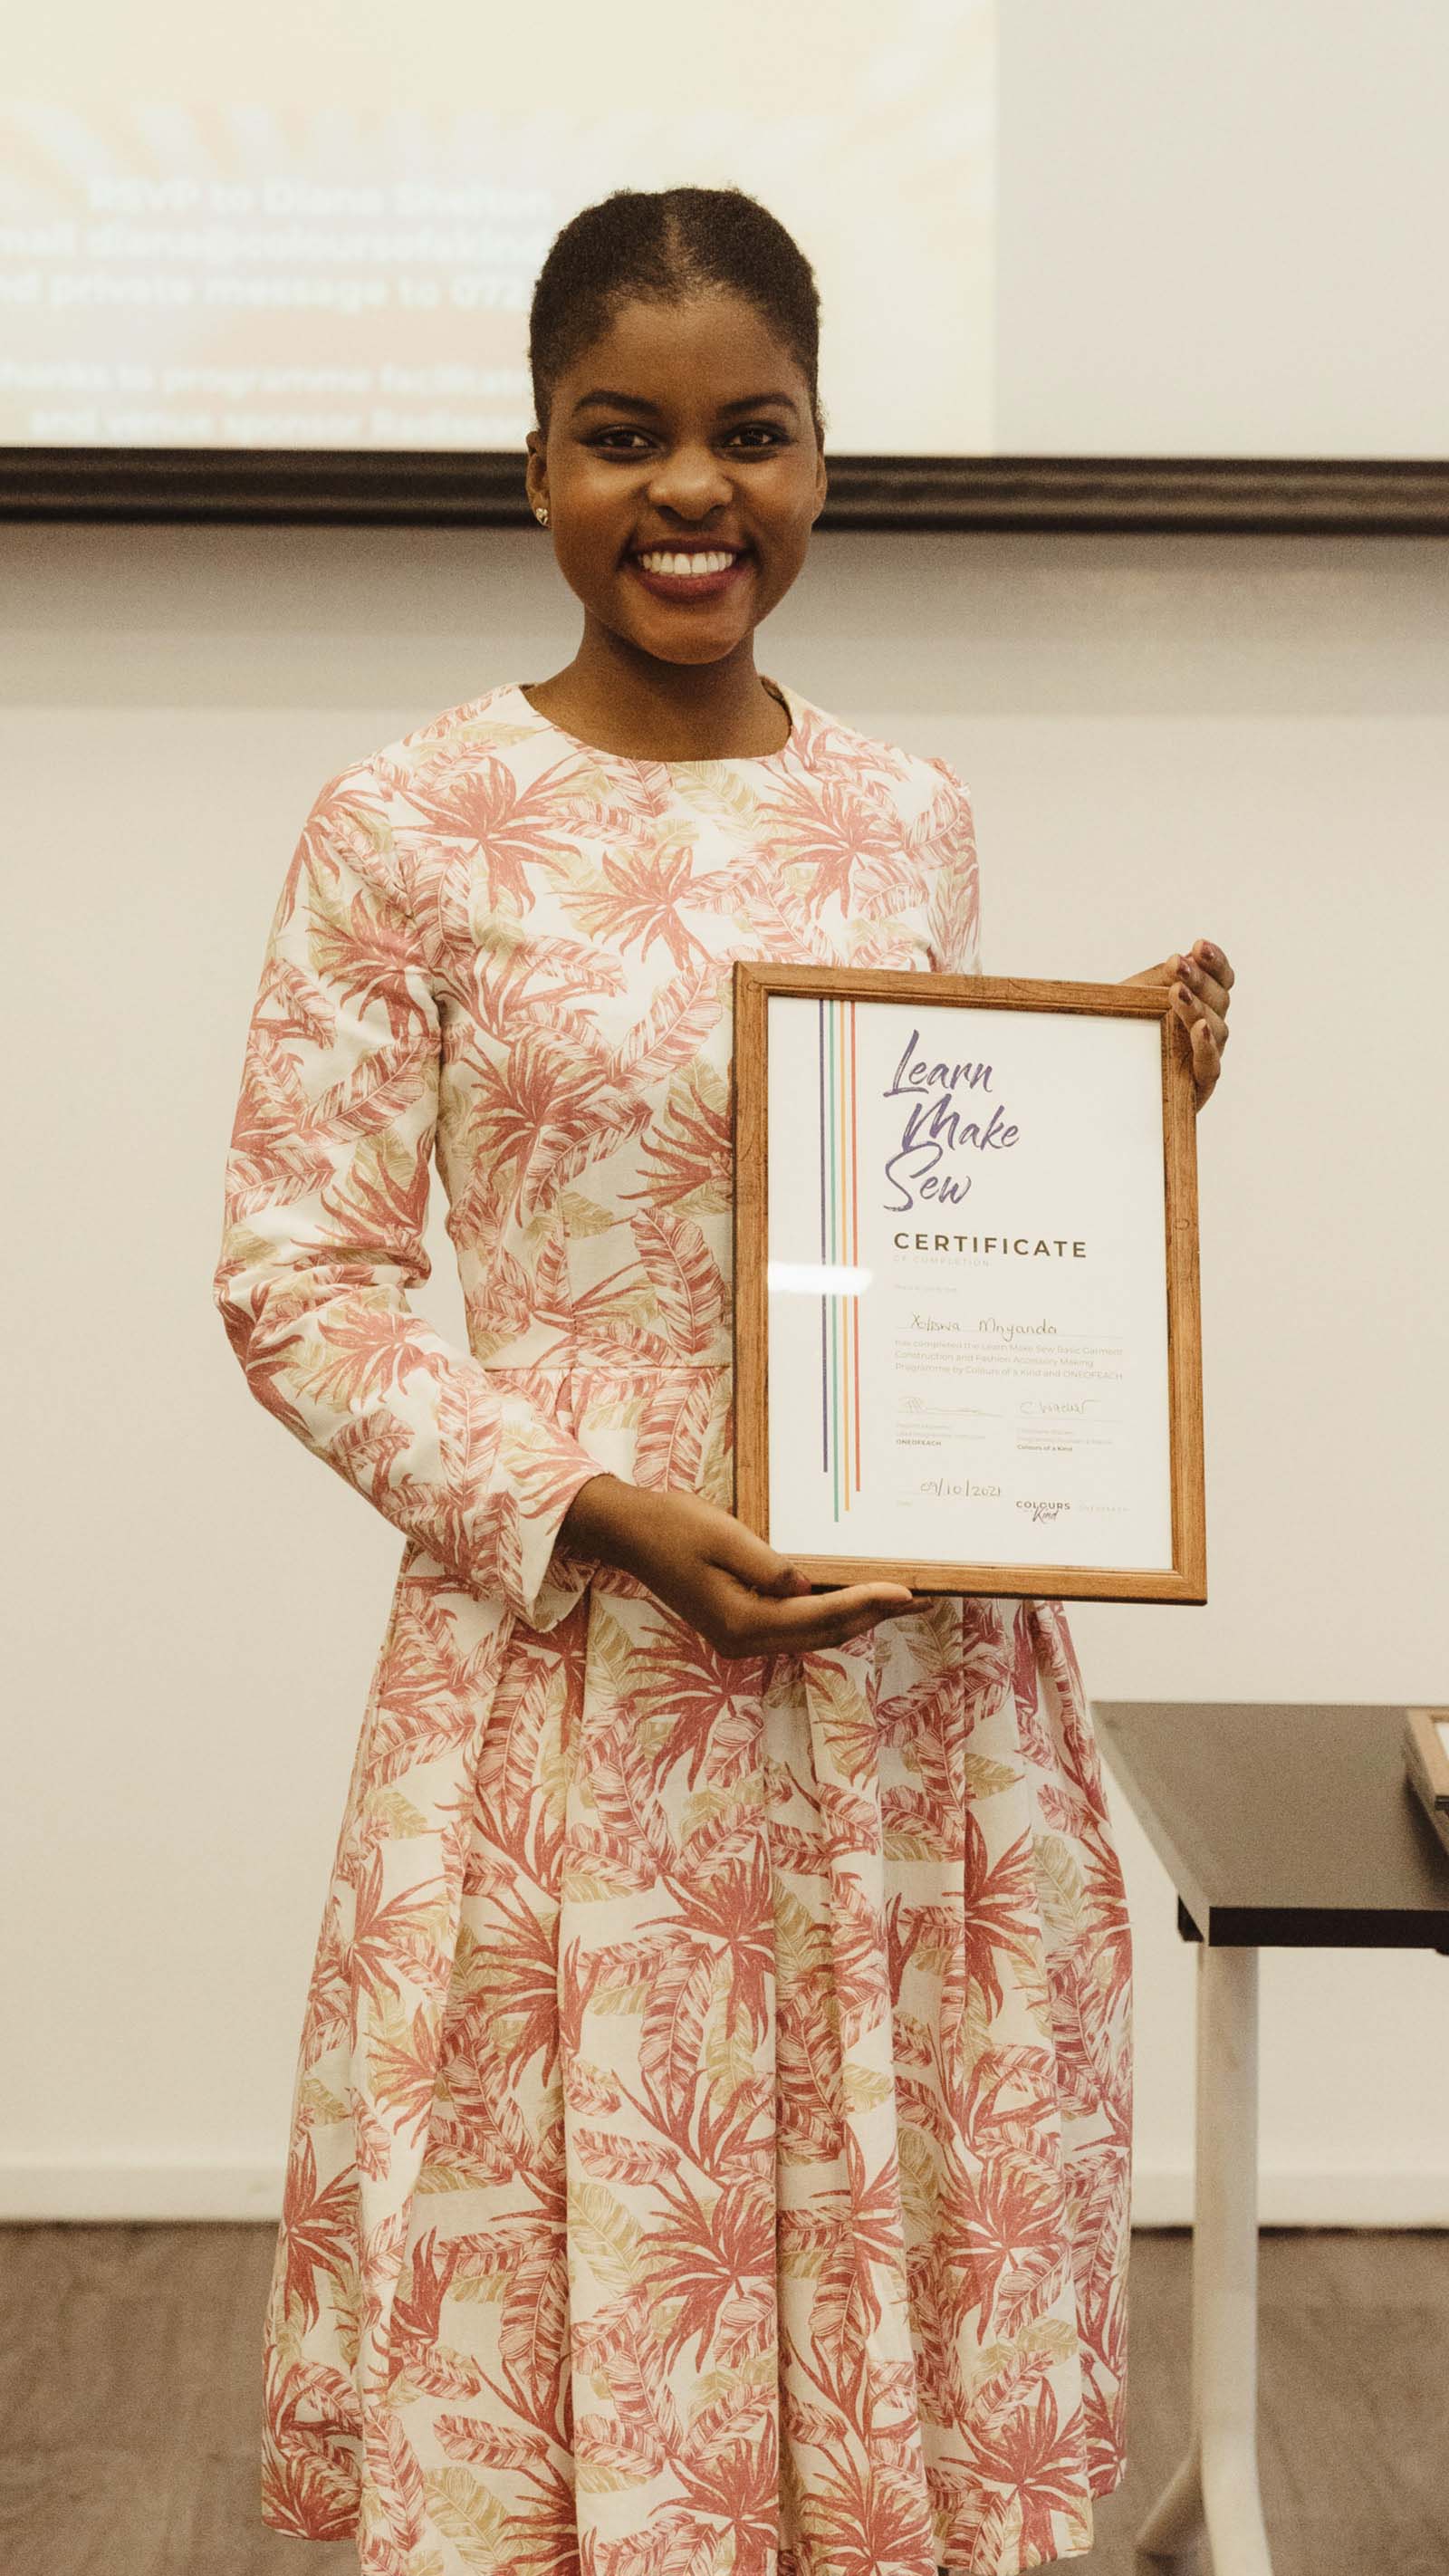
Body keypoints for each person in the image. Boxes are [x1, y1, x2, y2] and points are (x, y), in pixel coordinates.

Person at [213, 183, 1234, 2576]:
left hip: (906, 1684)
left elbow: (926, 1197)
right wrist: (591, 1507)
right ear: (533, 468)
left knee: (905, 2294)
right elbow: (300, 1275)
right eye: (625, 436)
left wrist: (1124, 1102)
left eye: (751, 434)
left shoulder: (905, 810)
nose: (696, 493)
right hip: (586, 1676)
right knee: (594, 2272)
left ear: (822, 456)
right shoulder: (404, 822)